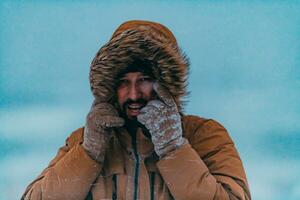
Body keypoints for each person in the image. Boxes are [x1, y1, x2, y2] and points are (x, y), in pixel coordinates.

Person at [22, 20, 251, 200]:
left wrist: (173, 148)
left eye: (145, 79)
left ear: (166, 83)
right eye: (123, 81)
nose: (133, 94)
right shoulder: (83, 140)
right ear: (111, 86)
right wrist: (88, 153)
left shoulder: (206, 135)